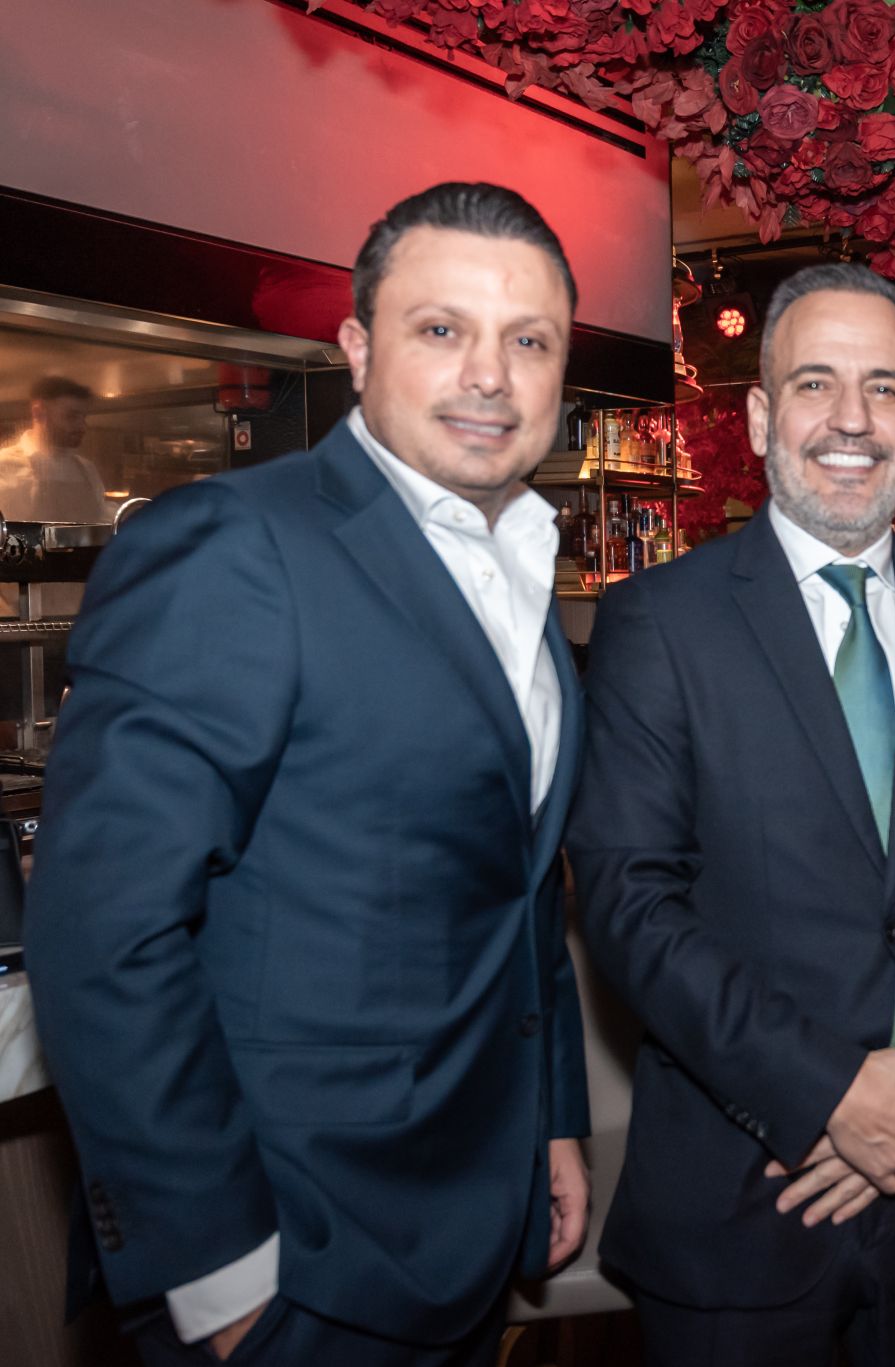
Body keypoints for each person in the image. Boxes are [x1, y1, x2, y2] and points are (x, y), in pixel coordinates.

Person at [27, 182, 591, 1366]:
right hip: (294, 1249)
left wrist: (548, 1119)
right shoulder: (233, 544)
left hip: (468, 1221)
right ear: (357, 349)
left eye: (528, 341)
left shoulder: (520, 568)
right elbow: (104, 930)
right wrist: (217, 1272)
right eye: (441, 328)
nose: (488, 375)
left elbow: (517, 888)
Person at [565, 263, 895, 1367]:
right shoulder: (658, 623)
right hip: (740, 1189)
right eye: (815, 383)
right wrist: (828, 1094)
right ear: (762, 417)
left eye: (884, 388)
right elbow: (627, 899)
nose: (852, 419)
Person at [0, 375, 113, 617]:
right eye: (71, 416)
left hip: (79, 616)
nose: (82, 426)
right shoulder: (4, 467)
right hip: (17, 618)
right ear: (39, 413)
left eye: (84, 417)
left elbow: (101, 527)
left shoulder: (87, 471)